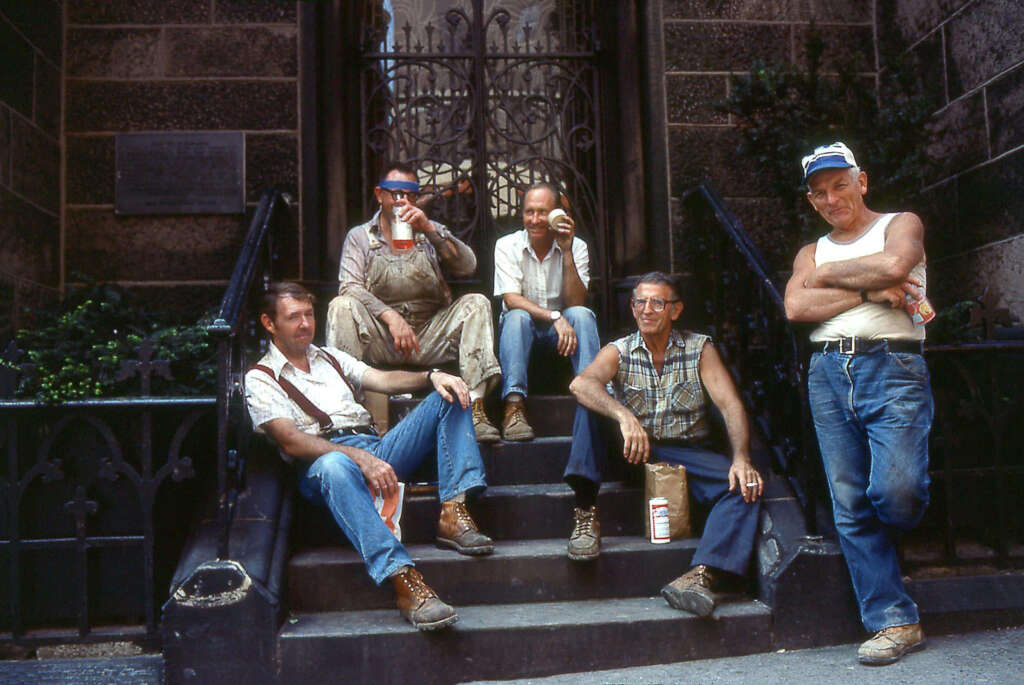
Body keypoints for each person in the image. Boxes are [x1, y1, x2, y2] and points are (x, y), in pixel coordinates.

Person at [246, 282, 495, 631]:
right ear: (269, 323)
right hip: (323, 465)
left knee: (449, 394)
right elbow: (290, 441)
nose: (305, 324)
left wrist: (432, 375)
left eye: (308, 315)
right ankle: (403, 578)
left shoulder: (329, 357)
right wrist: (357, 458)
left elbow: (382, 378)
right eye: (293, 318)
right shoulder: (261, 377)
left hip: (375, 448)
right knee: (334, 465)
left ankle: (454, 510)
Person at [784, 142, 933, 665]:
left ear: (862, 181)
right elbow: (796, 304)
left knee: (896, 491)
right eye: (820, 193)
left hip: (892, 367)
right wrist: (871, 293)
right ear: (812, 200)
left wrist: (827, 277)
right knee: (849, 503)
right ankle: (894, 621)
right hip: (827, 372)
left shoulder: (899, 222)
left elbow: (896, 262)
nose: (831, 198)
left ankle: (895, 544)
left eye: (840, 185)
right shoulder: (811, 249)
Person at [569, 272, 763, 616]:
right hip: (634, 451)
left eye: (657, 302)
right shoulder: (620, 350)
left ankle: (703, 575)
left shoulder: (699, 349)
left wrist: (742, 457)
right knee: (590, 407)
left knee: (744, 485)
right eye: (639, 302)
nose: (646, 310)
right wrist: (624, 416)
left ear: (675, 310)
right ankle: (585, 512)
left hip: (686, 452)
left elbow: (730, 404)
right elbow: (581, 384)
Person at [327, 162, 502, 441]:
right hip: (383, 336)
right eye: (395, 194)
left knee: (476, 303)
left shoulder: (428, 231)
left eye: (409, 195)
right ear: (379, 195)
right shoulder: (360, 237)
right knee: (341, 306)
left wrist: (430, 229)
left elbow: (468, 266)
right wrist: (390, 316)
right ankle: (348, 409)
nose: (402, 201)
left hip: (428, 333)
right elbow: (350, 286)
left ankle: (476, 407)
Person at [493, 181, 600, 441]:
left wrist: (565, 251)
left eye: (543, 212)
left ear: (558, 213)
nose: (535, 219)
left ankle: (593, 398)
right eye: (529, 212)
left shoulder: (577, 247)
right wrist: (554, 316)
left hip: (562, 337)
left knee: (583, 316)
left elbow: (576, 302)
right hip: (522, 332)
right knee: (516, 316)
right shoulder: (507, 245)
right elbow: (511, 299)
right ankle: (514, 406)